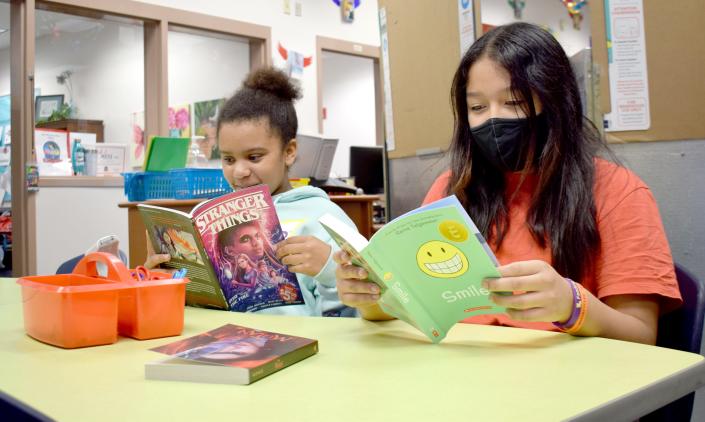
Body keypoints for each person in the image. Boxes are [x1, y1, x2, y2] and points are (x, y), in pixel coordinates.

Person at [334, 22, 681, 344]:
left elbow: (640, 335)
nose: (493, 118)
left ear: (556, 103)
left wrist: (573, 306)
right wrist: (371, 298)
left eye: (513, 102)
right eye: (478, 107)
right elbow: (416, 306)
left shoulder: (617, 191)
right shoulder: (451, 189)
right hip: (461, 381)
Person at [146, 67, 358, 317]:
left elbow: (358, 314)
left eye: (254, 157)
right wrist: (161, 283)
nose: (239, 172)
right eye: (228, 159)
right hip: (222, 345)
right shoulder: (208, 219)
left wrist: (329, 271)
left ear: (289, 152)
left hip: (301, 347)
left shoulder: (323, 217)